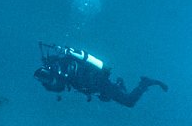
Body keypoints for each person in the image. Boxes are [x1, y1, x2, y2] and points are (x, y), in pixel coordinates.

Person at [34, 43, 168, 107]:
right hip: (96, 88)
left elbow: (61, 85)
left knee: (129, 102)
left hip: (100, 83)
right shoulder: (59, 73)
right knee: (117, 97)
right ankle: (120, 84)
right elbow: (59, 87)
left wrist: (66, 51)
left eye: (45, 78)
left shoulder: (63, 68)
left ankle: (145, 83)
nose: (45, 81)